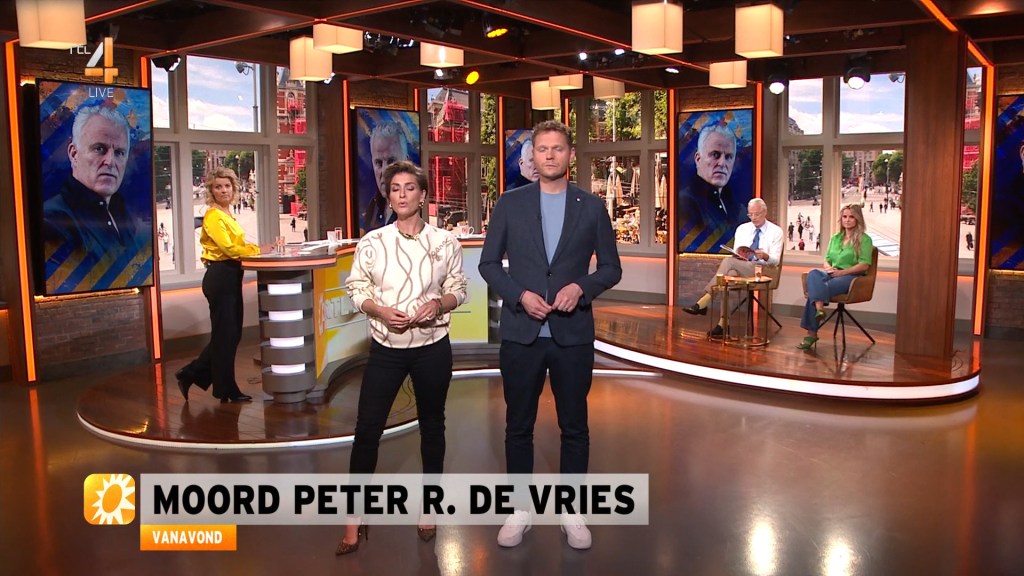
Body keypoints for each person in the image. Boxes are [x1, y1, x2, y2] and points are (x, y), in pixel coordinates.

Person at [479, 120, 622, 550]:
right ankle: (519, 509)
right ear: (533, 156)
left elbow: (611, 268)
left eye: (558, 148)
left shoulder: (591, 207)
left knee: (574, 426)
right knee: (518, 426)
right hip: (521, 335)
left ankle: (571, 510)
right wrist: (519, 295)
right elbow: (488, 265)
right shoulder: (510, 204)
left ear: (570, 155)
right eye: (542, 149)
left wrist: (581, 288)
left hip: (571, 335)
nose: (550, 155)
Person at [336, 160, 467, 555]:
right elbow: (356, 288)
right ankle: (354, 519)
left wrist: (438, 303)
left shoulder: (445, 242)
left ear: (423, 195)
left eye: (410, 187)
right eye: (395, 189)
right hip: (386, 351)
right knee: (367, 430)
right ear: (389, 197)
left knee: (433, 425)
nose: (402, 194)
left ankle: (429, 507)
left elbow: (459, 289)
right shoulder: (373, 243)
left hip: (432, 347)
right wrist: (378, 310)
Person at [176, 168, 272, 402]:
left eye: (227, 186)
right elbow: (229, 249)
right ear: (211, 191)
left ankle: (203, 379)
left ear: (233, 188)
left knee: (229, 335)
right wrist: (258, 250)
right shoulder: (213, 216)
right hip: (220, 277)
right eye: (218, 187)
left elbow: (235, 246)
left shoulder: (227, 213)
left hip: (230, 276)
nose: (224, 190)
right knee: (225, 336)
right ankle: (217, 385)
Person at [42, 104, 149, 292]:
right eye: (100, 149)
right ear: (73, 154)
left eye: (119, 152)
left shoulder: (127, 216)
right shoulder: (52, 220)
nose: (110, 162)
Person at [681, 198, 784, 337]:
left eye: (757, 214)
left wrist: (766, 256)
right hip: (743, 265)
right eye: (750, 214)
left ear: (765, 212)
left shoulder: (776, 231)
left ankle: (705, 300)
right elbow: (737, 253)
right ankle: (722, 325)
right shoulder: (742, 229)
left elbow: (775, 261)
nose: (753, 218)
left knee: (728, 262)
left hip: (763, 270)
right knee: (729, 275)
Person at [797, 204, 874, 350]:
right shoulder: (836, 238)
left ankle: (812, 333)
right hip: (832, 272)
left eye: (851, 217)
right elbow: (827, 259)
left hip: (851, 276)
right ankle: (819, 308)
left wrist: (842, 273)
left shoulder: (865, 240)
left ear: (858, 219)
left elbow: (864, 265)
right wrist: (828, 268)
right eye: (844, 217)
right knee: (813, 273)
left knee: (815, 292)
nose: (847, 220)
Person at [677, 124, 746, 251]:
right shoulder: (685, 202)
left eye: (728, 157)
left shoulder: (737, 206)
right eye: (715, 155)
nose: (722, 163)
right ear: (698, 159)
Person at [361, 121, 409, 233]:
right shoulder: (373, 207)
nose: (384, 171)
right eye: (378, 163)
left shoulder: (413, 210)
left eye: (391, 161)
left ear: (406, 163)